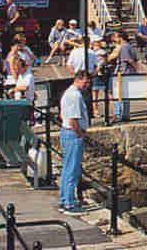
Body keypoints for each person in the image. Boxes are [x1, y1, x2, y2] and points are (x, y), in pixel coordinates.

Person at [57, 71, 92, 216]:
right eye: (86, 82)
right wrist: (81, 135)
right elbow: (73, 120)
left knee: (67, 168)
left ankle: (65, 199)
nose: (87, 85)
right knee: (72, 169)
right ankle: (69, 204)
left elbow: (62, 115)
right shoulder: (75, 96)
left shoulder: (69, 93)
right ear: (78, 80)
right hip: (72, 134)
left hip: (67, 133)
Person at [109, 33, 140, 122]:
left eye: (115, 37)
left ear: (120, 37)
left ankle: (118, 115)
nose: (114, 39)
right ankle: (126, 114)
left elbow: (128, 60)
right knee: (126, 95)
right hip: (129, 73)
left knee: (117, 94)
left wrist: (136, 68)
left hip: (123, 73)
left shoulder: (124, 47)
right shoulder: (130, 46)